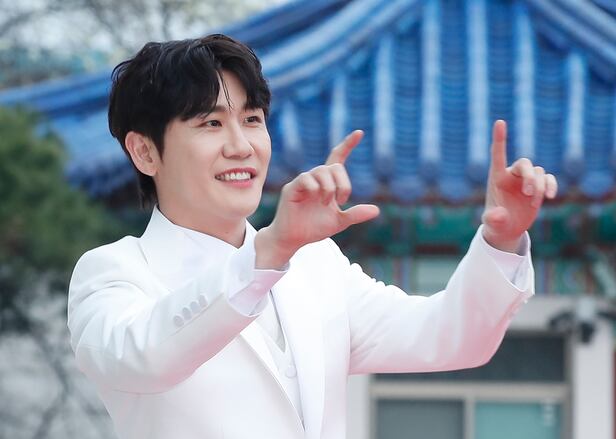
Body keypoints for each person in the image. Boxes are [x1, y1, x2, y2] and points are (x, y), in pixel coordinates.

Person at [67, 34, 557, 439]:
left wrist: (502, 240)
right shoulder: (114, 272)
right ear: (145, 152)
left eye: (252, 120)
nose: (241, 146)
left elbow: (451, 337)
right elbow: (143, 359)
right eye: (211, 123)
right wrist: (269, 252)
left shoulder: (314, 264)